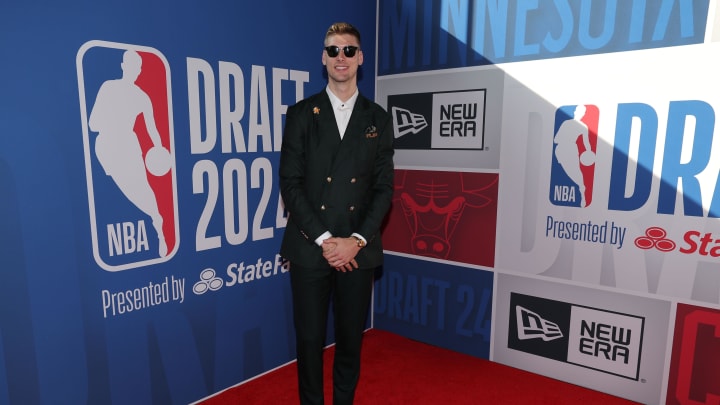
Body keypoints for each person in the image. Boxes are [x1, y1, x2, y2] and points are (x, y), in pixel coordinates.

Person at [279, 22, 394, 405]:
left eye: (348, 50)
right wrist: (328, 241)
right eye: (333, 50)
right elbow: (290, 185)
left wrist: (355, 241)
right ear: (323, 59)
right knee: (310, 340)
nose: (340, 57)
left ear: (360, 58)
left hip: (357, 249)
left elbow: (383, 189)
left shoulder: (377, 118)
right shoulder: (300, 114)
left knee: (349, 340)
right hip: (313, 247)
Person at [89, 50, 169, 257]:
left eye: (138, 67)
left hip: (128, 146)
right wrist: (111, 122)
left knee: (141, 187)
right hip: (105, 147)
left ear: (139, 70)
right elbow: (92, 123)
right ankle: (155, 219)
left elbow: (153, 129)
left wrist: (159, 150)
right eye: (131, 65)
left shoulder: (142, 97)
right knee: (118, 190)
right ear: (123, 66)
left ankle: (158, 225)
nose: (135, 70)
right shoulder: (108, 87)